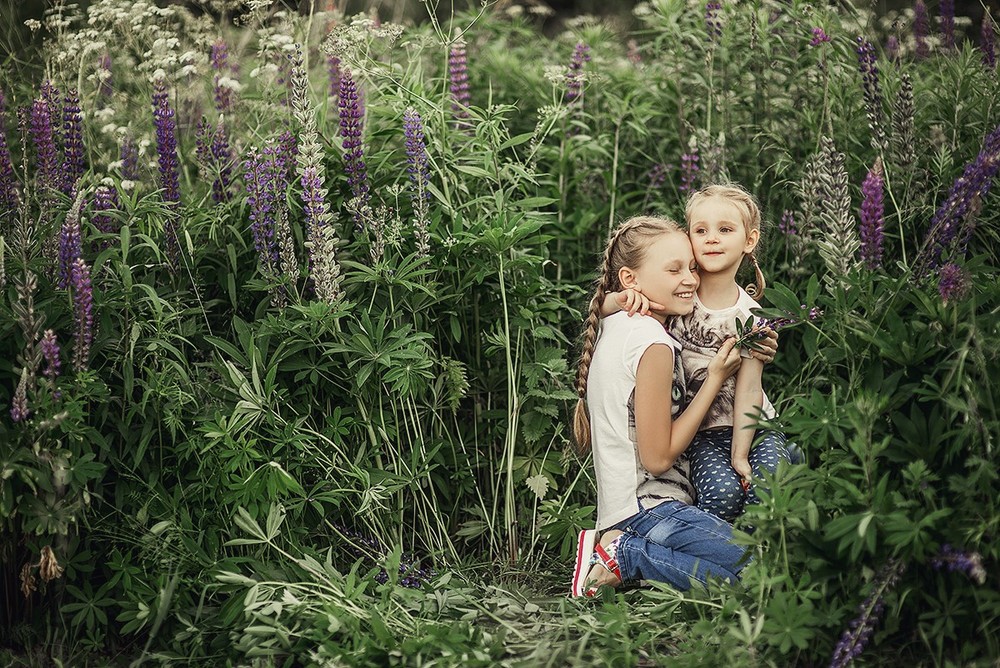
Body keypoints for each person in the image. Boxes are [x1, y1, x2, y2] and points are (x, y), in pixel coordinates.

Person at [570, 215, 762, 597]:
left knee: (750, 578)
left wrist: (613, 299)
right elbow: (657, 459)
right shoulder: (652, 344)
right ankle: (623, 555)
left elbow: (602, 306)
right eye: (674, 269)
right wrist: (716, 378)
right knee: (763, 571)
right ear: (630, 280)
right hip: (649, 507)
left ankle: (623, 556)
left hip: (627, 508)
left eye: (691, 267)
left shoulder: (617, 323)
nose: (691, 279)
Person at [602, 184, 790, 523]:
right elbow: (595, 310)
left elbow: (749, 388)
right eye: (700, 230)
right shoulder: (679, 296)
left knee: (771, 488)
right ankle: (718, 558)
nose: (712, 238)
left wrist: (740, 454)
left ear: (749, 241)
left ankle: (765, 556)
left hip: (753, 427)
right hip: (700, 432)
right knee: (721, 495)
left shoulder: (750, 315)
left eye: (725, 229)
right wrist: (620, 299)